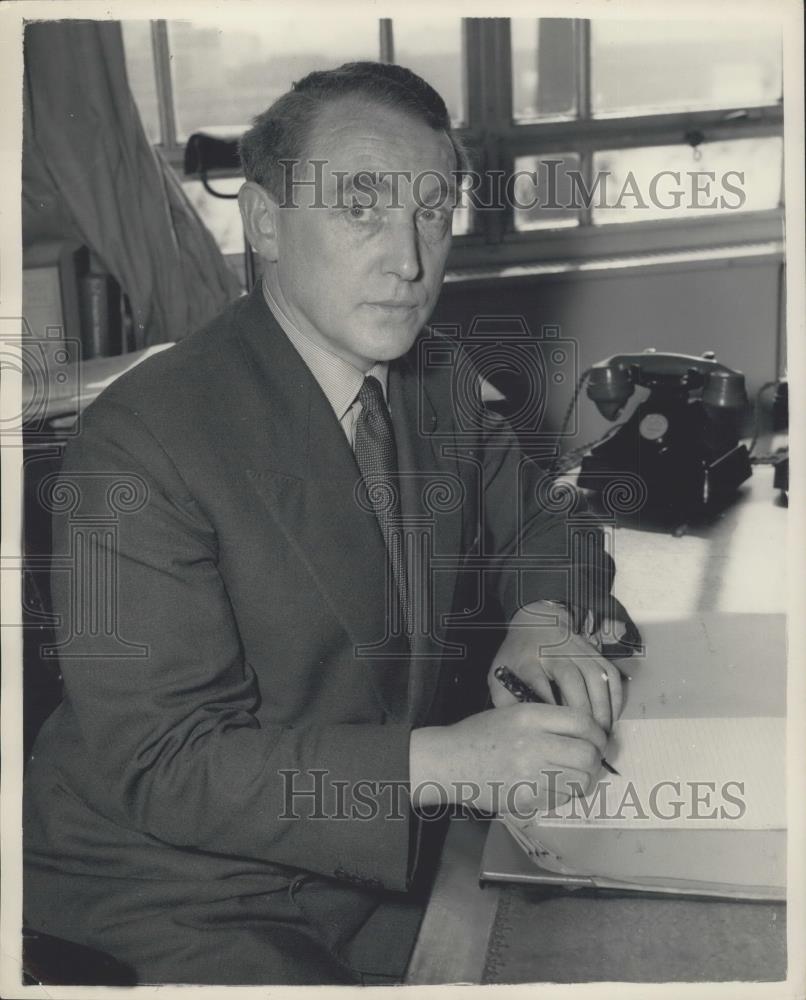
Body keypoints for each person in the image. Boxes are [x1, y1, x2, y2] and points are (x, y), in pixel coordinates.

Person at [23, 62, 638, 985]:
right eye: (362, 207)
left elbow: (547, 520)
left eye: (433, 211)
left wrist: (542, 617)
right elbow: (165, 767)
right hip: (182, 881)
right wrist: (446, 763)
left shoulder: (433, 377)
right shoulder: (144, 438)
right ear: (266, 223)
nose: (409, 257)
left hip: (373, 859)